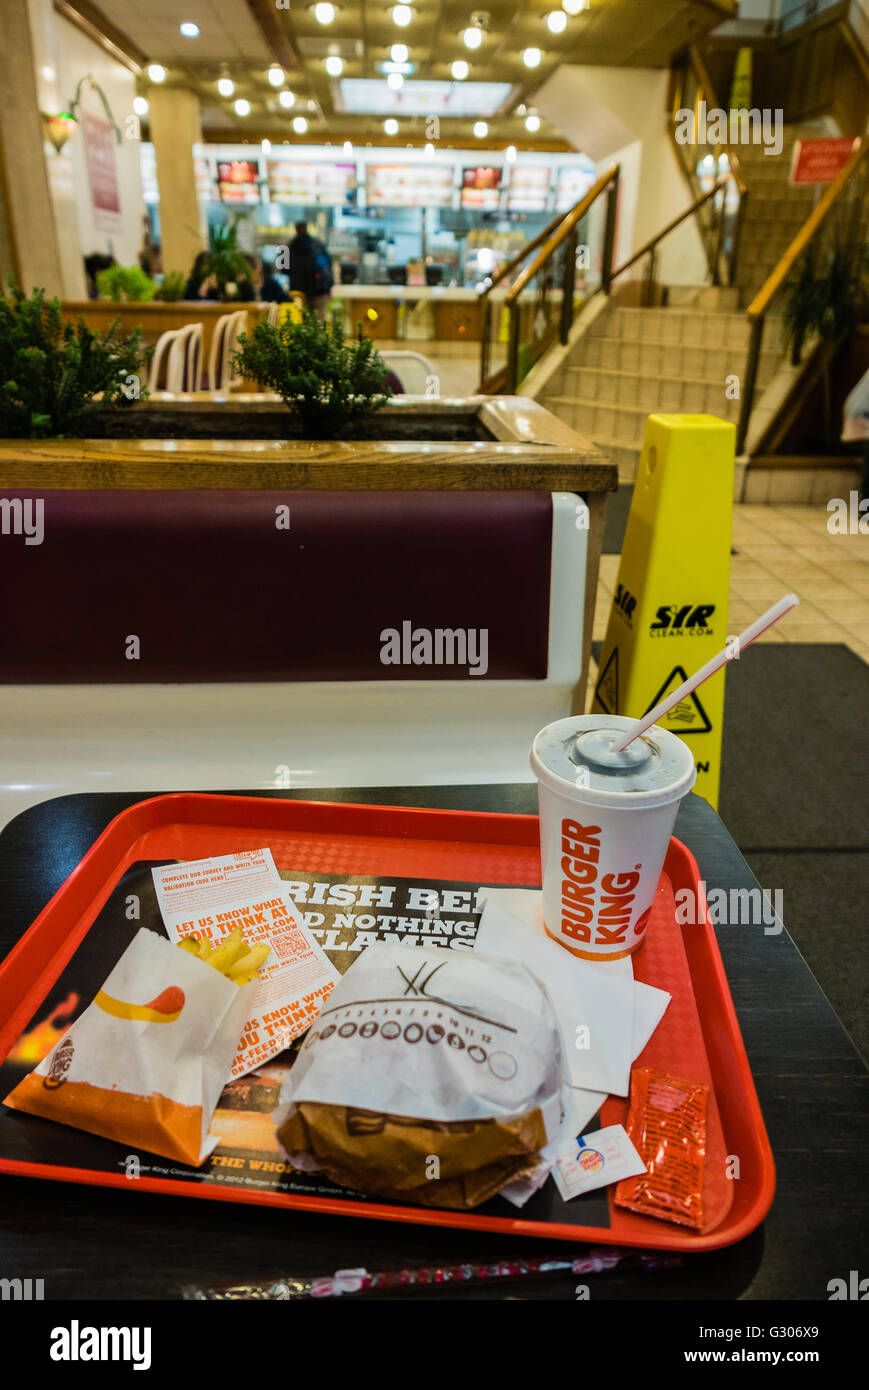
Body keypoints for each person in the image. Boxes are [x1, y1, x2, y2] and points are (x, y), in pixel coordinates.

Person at [287, 221, 334, 316]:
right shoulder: (318, 245)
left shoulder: (289, 247)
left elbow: (283, 269)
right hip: (318, 291)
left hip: (298, 293)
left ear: (295, 230)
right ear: (307, 228)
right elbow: (327, 266)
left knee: (301, 321)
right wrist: (328, 288)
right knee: (319, 323)